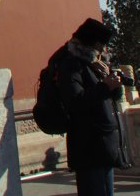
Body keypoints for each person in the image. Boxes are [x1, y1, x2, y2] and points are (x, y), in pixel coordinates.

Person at [55, 17, 131, 196]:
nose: (103, 49)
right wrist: (105, 86)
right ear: (92, 43)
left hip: (103, 148)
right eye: (101, 45)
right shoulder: (71, 65)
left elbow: (107, 99)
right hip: (89, 149)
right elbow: (75, 102)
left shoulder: (96, 65)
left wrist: (115, 87)